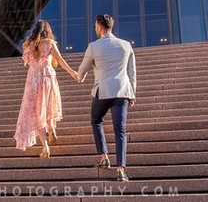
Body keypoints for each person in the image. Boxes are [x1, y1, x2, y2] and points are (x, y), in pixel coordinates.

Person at [77, 14, 136, 182]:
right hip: (122, 92)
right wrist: (132, 94)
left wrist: (79, 75)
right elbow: (132, 72)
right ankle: (120, 169)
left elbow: (82, 70)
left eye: (96, 26)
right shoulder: (126, 45)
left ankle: (104, 157)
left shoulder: (94, 46)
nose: (95, 28)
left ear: (99, 27)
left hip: (103, 92)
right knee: (120, 130)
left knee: (96, 119)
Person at [13, 20, 80, 157]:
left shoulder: (29, 45)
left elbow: (27, 62)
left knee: (37, 111)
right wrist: (72, 72)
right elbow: (60, 59)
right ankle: (52, 128)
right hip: (47, 77)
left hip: (33, 80)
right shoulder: (49, 43)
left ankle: (46, 147)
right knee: (49, 105)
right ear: (47, 31)